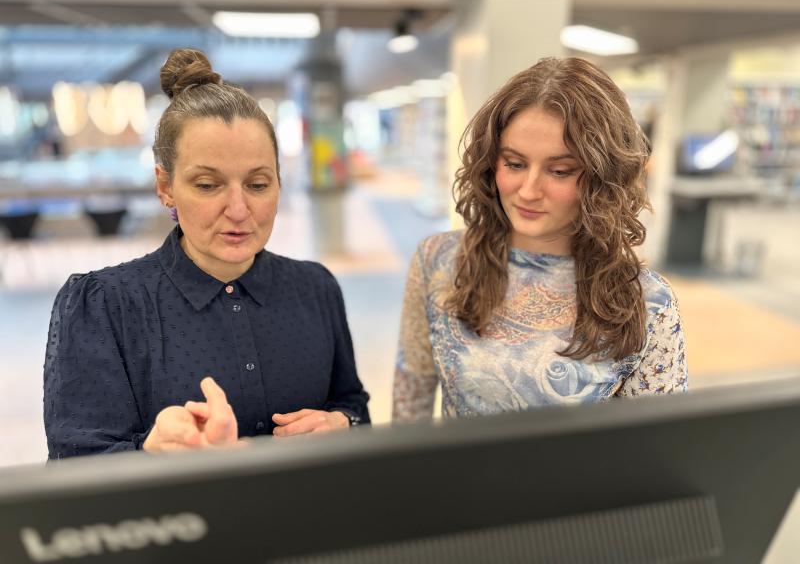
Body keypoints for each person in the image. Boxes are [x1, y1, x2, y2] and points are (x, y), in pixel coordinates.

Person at [44, 48, 369, 459]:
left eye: (257, 184)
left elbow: (354, 406)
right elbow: (73, 463)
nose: (238, 210)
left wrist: (342, 423)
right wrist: (151, 451)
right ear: (165, 187)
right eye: (207, 185)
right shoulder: (105, 307)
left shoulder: (315, 289)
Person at [393, 57, 687, 422]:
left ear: (602, 178)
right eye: (514, 164)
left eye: (559, 171)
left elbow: (659, 445)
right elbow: (409, 412)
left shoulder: (647, 302)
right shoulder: (438, 260)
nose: (529, 191)